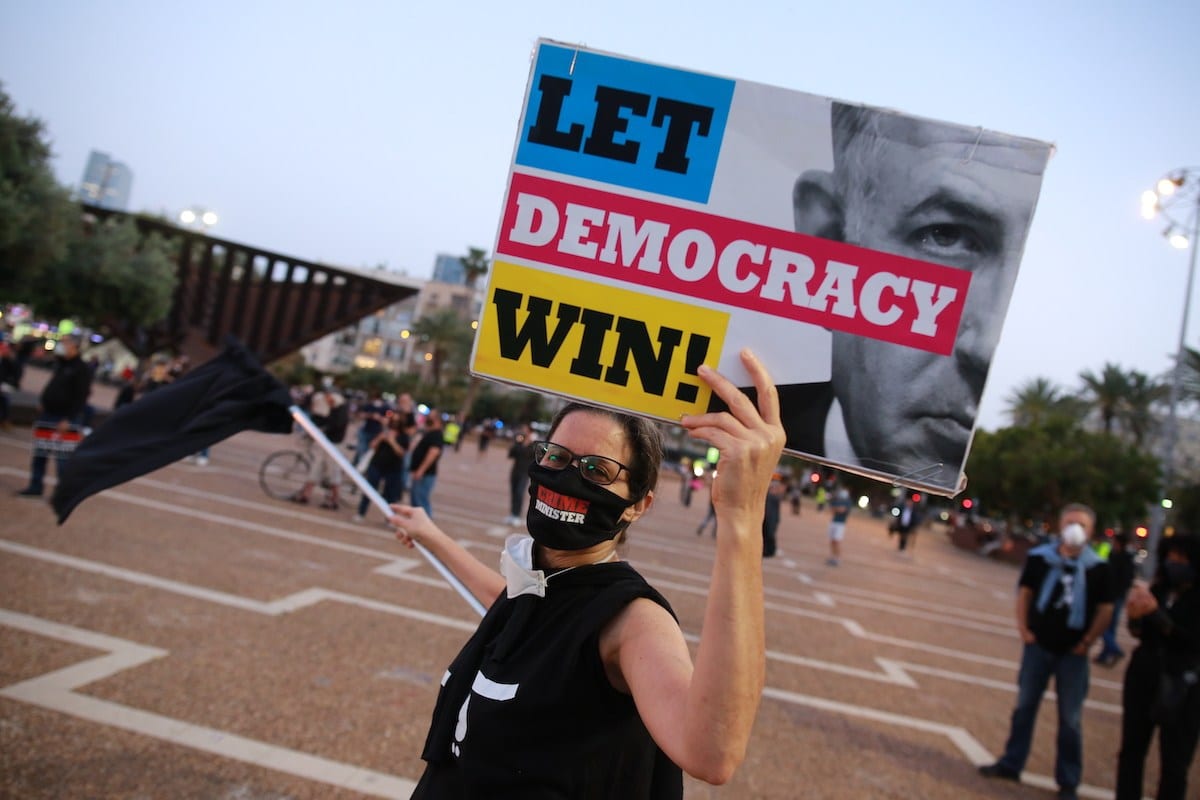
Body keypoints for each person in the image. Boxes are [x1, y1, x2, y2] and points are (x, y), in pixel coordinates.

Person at [387, 349, 784, 797]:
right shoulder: (545, 584)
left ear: (638, 504)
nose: (566, 478)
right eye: (556, 457)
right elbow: (513, 603)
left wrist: (741, 516)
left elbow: (711, 753)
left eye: (597, 471)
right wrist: (432, 536)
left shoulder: (631, 621)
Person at [787, 102, 1051, 490]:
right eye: (946, 236)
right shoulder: (728, 418)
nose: (987, 348)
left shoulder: (1017, 476)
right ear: (828, 248)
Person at [979, 503, 1115, 800]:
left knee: (1070, 719)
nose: (1074, 529)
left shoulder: (1098, 568)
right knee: (1024, 707)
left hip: (1073, 653)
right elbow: (1025, 593)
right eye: (1070, 522)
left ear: (1091, 531)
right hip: (1038, 646)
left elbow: (1106, 609)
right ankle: (1011, 763)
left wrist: (1087, 642)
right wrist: (1024, 630)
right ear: (1060, 526)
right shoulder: (1041, 558)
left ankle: (1068, 781)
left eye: (1081, 524)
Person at [1115, 534, 1200, 800]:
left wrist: (1155, 614)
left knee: (1175, 760)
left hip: (1182, 683)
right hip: (1144, 674)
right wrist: (1135, 617)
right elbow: (1141, 633)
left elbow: (1189, 640)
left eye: (1181, 558)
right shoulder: (1160, 589)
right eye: (1170, 557)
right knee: (1131, 750)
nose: (1174, 563)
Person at [18, 334, 92, 497]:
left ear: (74, 346)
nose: (61, 345)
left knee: (63, 459)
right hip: (48, 414)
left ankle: (63, 493)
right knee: (40, 454)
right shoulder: (62, 364)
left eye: (65, 342)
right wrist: (45, 402)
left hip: (64, 418)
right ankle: (35, 486)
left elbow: (81, 396)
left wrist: (69, 418)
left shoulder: (81, 369)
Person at [291, 378, 347, 509]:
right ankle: (306, 494)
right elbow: (326, 420)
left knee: (333, 472)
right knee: (316, 468)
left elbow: (335, 426)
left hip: (333, 445)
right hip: (327, 443)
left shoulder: (340, 410)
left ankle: (334, 499)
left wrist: (323, 429)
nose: (326, 399)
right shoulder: (335, 408)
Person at [353, 415, 409, 523]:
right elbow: (372, 445)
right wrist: (380, 438)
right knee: (369, 490)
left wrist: (392, 442)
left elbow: (402, 453)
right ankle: (361, 512)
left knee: (390, 494)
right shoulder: (384, 432)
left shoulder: (404, 437)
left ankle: (390, 518)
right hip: (377, 464)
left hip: (393, 468)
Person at [1096, 531, 1136, 667]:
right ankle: (1105, 654)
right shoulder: (1119, 557)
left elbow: (1123, 579)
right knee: (1109, 626)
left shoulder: (1121, 558)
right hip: (1115, 595)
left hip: (1114, 596)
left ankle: (1114, 650)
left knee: (1103, 625)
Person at [408, 409, 444, 517]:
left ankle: (425, 523)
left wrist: (421, 470)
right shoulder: (429, 433)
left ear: (437, 420)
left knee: (420, 500)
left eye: (431, 416)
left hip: (425, 474)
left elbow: (433, 453)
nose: (428, 418)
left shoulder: (436, 435)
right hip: (422, 472)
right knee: (416, 500)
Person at [505, 423, 536, 526]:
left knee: (519, 492)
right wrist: (515, 444)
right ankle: (512, 514)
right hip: (515, 471)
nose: (523, 431)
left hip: (525, 473)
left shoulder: (533, 445)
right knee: (514, 492)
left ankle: (517, 515)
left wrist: (529, 443)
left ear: (530, 431)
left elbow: (533, 457)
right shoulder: (519, 442)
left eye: (525, 429)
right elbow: (511, 455)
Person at [761, 472, 785, 558]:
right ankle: (767, 549)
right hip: (768, 514)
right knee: (767, 531)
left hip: (771, 514)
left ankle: (769, 549)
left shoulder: (774, 496)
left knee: (769, 531)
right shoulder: (771, 495)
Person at [827, 486, 851, 566]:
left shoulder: (847, 501)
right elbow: (832, 509)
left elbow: (842, 510)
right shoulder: (837, 500)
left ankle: (837, 558)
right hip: (834, 522)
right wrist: (837, 508)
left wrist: (836, 508)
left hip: (840, 524)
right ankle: (833, 557)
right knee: (832, 541)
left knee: (837, 541)